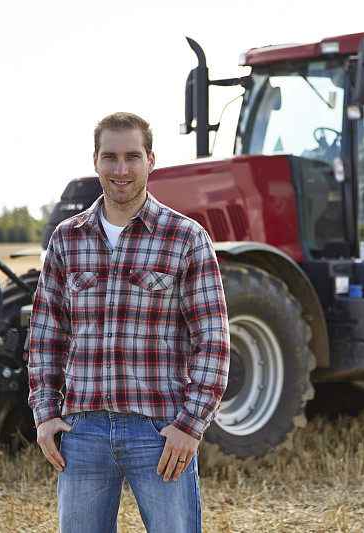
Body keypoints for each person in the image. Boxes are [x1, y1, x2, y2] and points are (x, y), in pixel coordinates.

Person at [28, 111, 230, 533]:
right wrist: (45, 413)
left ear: (150, 161)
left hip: (159, 432)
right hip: (82, 432)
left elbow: (212, 340)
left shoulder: (186, 238)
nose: (121, 169)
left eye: (132, 157)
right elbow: (46, 334)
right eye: (111, 157)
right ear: (96, 161)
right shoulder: (66, 239)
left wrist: (190, 426)